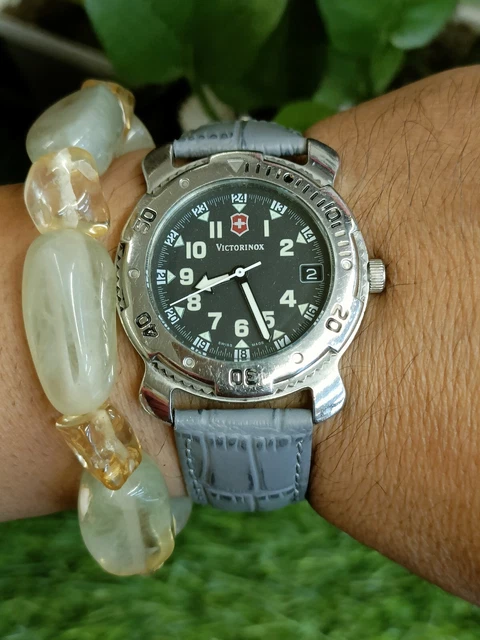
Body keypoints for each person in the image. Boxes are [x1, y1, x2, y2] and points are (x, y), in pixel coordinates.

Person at [0, 66, 479, 605]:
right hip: (175, 373)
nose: (239, 273)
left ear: (368, 275)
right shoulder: (164, 388)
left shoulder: (312, 382)